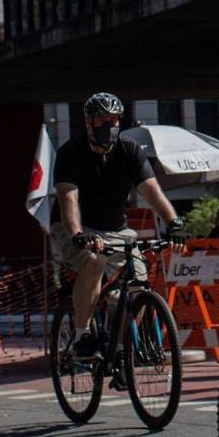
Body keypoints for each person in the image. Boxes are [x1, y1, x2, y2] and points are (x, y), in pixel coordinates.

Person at [53, 93, 179, 358]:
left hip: (117, 229)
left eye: (113, 121)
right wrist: (78, 234)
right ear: (88, 122)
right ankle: (82, 335)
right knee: (94, 262)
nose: (108, 127)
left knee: (138, 283)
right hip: (75, 227)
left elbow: (153, 192)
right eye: (101, 121)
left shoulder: (129, 150)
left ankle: (119, 344)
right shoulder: (70, 152)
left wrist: (174, 222)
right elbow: (68, 198)